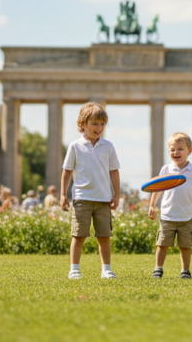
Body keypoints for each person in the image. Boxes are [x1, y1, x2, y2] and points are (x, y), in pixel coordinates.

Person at [61, 102, 121, 279]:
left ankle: (106, 269)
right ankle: (74, 269)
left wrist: (117, 194)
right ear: (83, 124)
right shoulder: (75, 146)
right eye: (95, 123)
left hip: (103, 199)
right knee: (78, 236)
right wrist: (63, 195)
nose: (99, 127)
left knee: (104, 236)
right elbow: (67, 171)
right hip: (82, 198)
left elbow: (114, 171)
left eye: (102, 124)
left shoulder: (108, 146)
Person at [148, 132, 192, 279]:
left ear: (189, 151)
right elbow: (157, 188)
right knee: (162, 244)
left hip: (187, 216)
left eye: (180, 149)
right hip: (167, 215)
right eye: (172, 149)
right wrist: (152, 205)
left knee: (185, 246)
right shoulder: (166, 169)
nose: (175, 152)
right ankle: (158, 269)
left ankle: (185, 271)